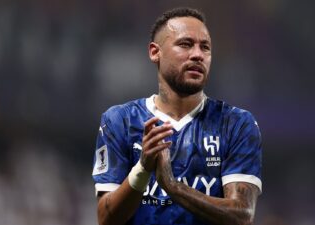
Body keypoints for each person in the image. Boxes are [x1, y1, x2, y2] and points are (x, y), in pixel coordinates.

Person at [92, 7, 262, 225]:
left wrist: (172, 186)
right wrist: (142, 169)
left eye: (205, 47)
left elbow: (242, 215)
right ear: (155, 52)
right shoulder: (119, 121)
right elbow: (105, 219)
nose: (198, 55)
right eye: (185, 44)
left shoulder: (236, 124)